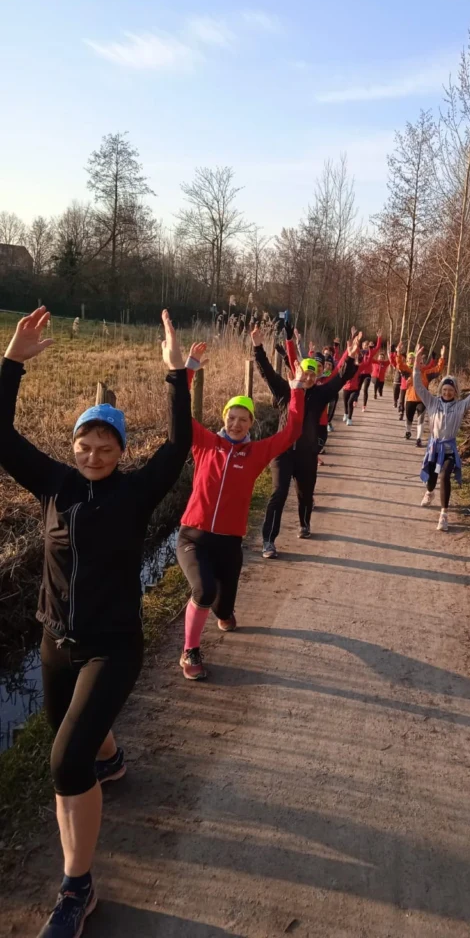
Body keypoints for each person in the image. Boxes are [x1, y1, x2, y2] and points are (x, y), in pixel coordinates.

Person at [0, 307, 193, 938]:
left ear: (118, 450)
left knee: (63, 762)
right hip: (56, 639)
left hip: (114, 646)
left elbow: (179, 447)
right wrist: (11, 364)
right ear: (74, 445)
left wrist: (174, 377)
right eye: (84, 445)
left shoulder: (136, 493)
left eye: (104, 447)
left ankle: (76, 888)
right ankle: (109, 762)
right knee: (79, 744)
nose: (92, 454)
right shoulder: (53, 483)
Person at [177, 346, 308, 681]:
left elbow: (291, 432)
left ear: (251, 423)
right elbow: (178, 415)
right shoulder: (205, 443)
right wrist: (187, 370)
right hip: (193, 535)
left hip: (229, 543)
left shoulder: (255, 452)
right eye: (231, 417)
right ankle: (190, 650)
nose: (236, 423)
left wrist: (296, 391)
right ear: (224, 419)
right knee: (203, 591)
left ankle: (225, 611)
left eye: (243, 418)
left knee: (223, 609)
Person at [255, 324, 359, 555]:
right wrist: (258, 348)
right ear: (297, 372)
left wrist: (350, 359)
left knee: (305, 494)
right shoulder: (284, 390)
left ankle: (304, 523)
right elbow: (266, 372)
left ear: (318, 375)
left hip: (306, 455)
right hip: (282, 453)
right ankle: (268, 540)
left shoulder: (320, 395)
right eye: (305, 372)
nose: (309, 376)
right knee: (278, 494)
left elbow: (340, 379)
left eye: (313, 373)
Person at [412, 347, 470, 531]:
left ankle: (443, 515)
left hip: (449, 450)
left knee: (445, 475)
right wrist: (416, 366)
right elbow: (418, 387)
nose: (447, 392)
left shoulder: (460, 406)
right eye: (444, 389)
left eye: (450, 390)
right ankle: (429, 492)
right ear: (441, 390)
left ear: (455, 392)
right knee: (431, 478)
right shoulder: (432, 402)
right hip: (433, 448)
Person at [404, 345, 445, 445]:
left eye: (421, 363)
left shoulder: (427, 373)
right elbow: (399, 365)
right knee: (409, 418)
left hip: (422, 400)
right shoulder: (409, 372)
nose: (420, 365)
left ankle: (419, 438)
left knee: (421, 418)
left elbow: (438, 369)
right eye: (418, 363)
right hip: (410, 398)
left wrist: (442, 357)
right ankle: (408, 431)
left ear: (423, 365)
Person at [342, 332, 382, 425]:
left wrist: (379, 338)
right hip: (347, 387)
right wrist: (354, 337)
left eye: (367, 345)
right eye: (364, 345)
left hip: (363, 377)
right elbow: (351, 350)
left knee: (352, 400)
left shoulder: (364, 360)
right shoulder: (350, 361)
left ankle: (352, 416)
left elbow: (370, 358)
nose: (358, 360)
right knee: (346, 402)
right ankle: (346, 413)